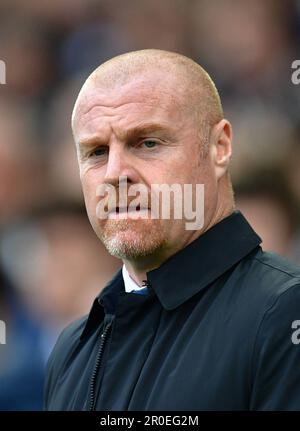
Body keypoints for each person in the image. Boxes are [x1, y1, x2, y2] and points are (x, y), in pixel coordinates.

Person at [44, 49, 300, 411]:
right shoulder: (71, 348)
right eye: (97, 152)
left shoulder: (284, 314)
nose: (116, 173)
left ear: (219, 147)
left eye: (147, 142)